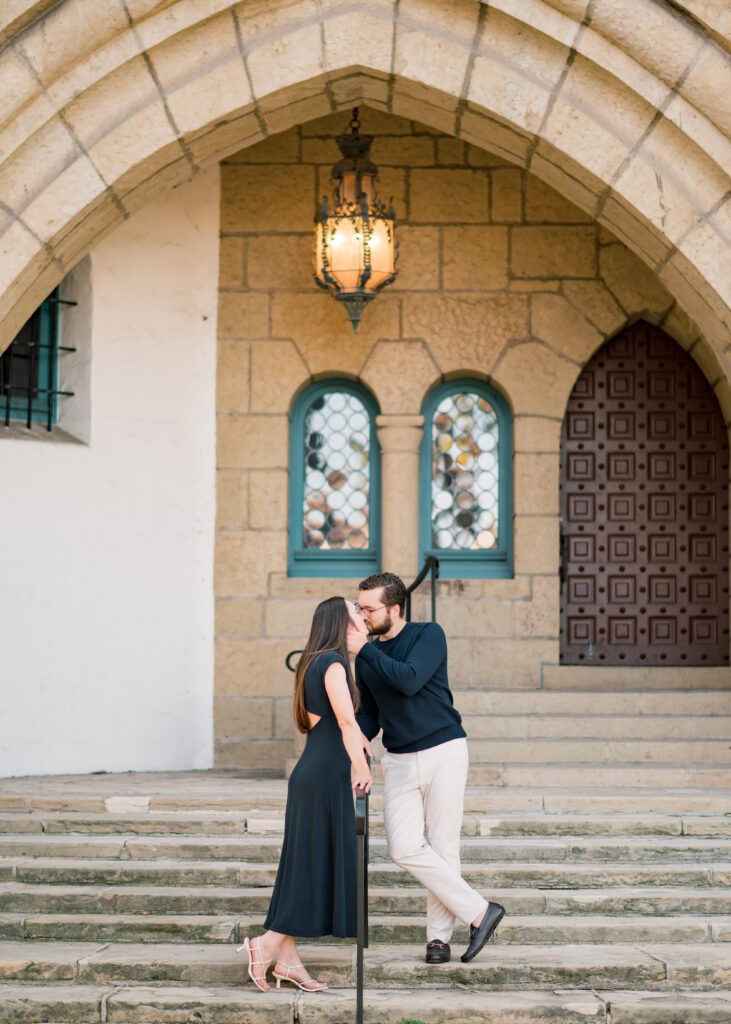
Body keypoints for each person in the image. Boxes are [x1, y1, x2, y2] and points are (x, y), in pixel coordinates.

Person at [347, 572, 504, 965]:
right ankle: (481, 911)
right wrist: (356, 744)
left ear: (395, 608)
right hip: (398, 759)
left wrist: (363, 651)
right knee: (403, 848)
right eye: (359, 608)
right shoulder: (366, 659)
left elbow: (410, 680)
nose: (362, 616)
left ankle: (438, 940)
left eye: (369, 609)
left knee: (443, 846)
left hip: (444, 749)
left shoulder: (428, 634)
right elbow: (371, 714)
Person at [240, 596, 372, 992]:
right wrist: (363, 767)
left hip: (318, 775)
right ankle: (263, 946)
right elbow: (346, 721)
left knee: (303, 865)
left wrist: (359, 738)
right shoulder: (332, 663)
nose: (363, 621)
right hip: (322, 779)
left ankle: (288, 963)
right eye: (356, 616)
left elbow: (336, 723)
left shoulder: (315, 661)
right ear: (340, 624)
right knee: (310, 866)